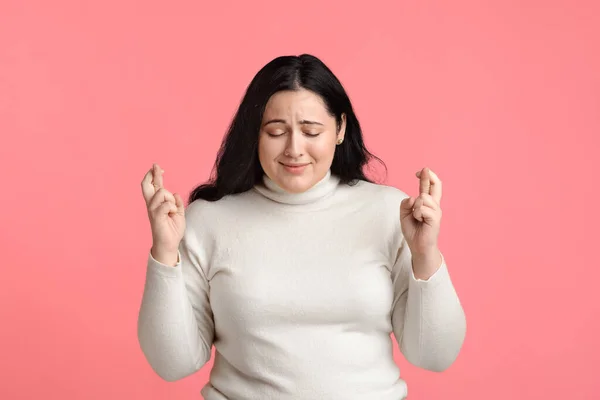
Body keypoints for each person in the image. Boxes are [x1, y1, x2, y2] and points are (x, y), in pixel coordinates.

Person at [137, 53, 466, 400]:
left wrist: (425, 254)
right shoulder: (209, 220)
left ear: (339, 129)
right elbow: (171, 364)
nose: (294, 149)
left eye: (311, 131)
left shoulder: (389, 212)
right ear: (255, 133)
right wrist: (165, 254)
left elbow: (435, 354)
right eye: (276, 131)